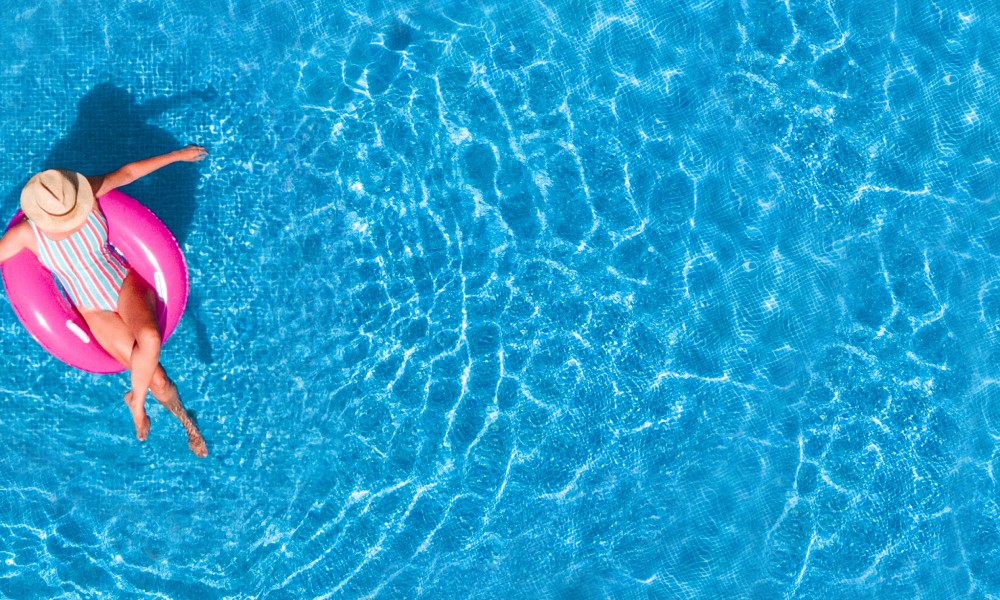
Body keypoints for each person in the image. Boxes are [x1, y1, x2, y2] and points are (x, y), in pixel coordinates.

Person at [0, 146, 209, 457]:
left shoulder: (88, 194)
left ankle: (136, 401)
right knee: (160, 380)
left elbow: (128, 172)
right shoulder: (26, 234)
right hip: (94, 310)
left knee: (150, 338)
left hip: (125, 284)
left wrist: (176, 156)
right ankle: (186, 423)